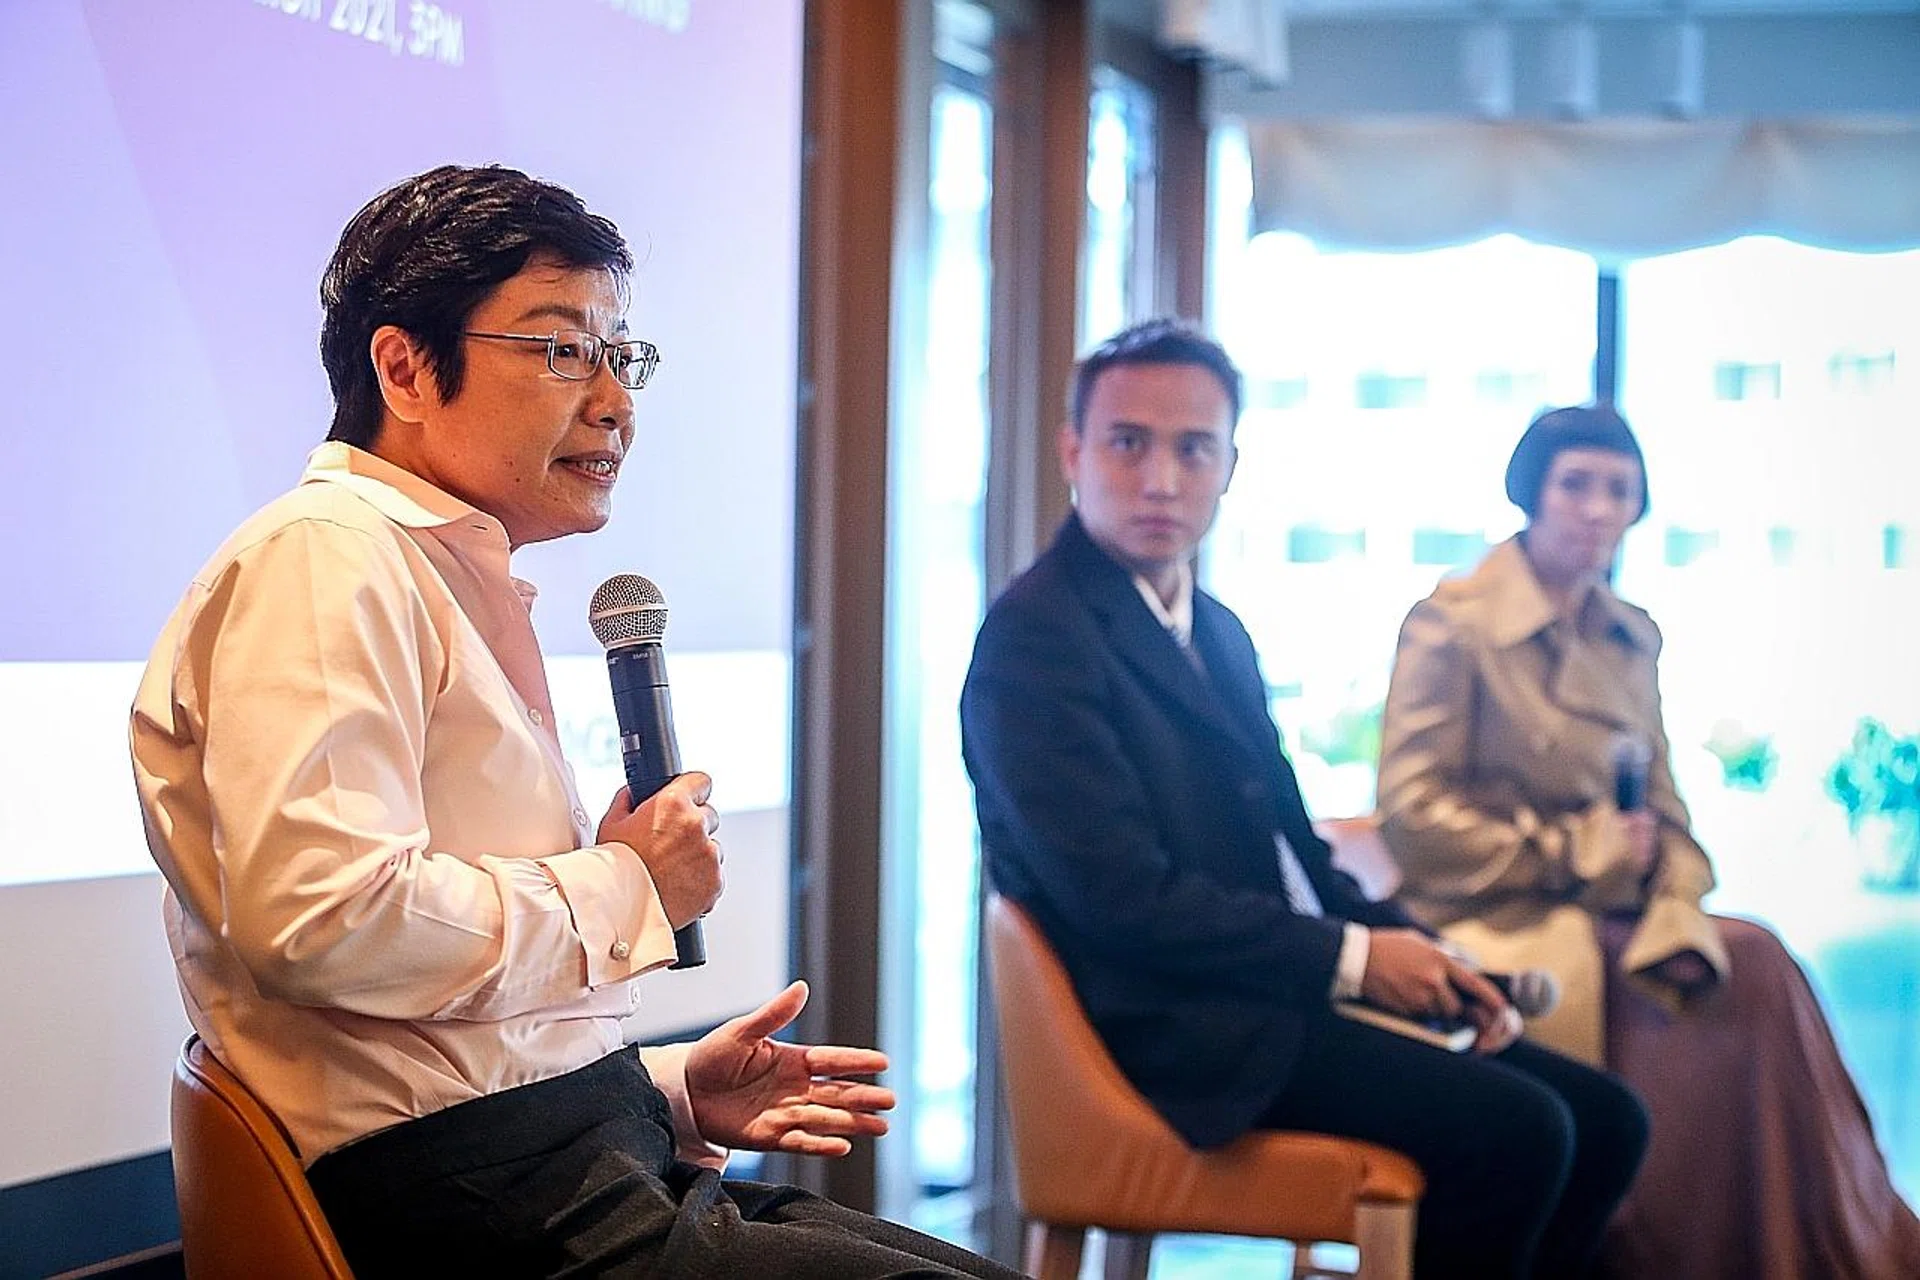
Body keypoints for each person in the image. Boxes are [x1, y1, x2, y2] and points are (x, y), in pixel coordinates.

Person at [130, 164, 1019, 1280]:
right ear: (404, 368)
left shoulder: (426, 568)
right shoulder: (322, 557)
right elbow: (325, 921)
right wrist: (630, 884)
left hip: (553, 1170)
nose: (614, 402)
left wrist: (663, 1087)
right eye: (560, 350)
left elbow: (434, 1033)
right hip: (473, 1211)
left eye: (617, 355)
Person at [960, 320, 1650, 1279]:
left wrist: (1436, 962)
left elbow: (1296, 859)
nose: (1161, 479)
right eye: (1128, 442)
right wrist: (1358, 962)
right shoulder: (1036, 640)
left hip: (1262, 994)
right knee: (1520, 1133)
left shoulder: (1216, 629)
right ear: (1074, 452)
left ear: (1229, 467)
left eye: (1193, 449)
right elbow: (1124, 901)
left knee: (1610, 1121)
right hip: (1169, 1030)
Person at [1377, 403, 1920, 1279]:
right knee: (1736, 985)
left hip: (1615, 914)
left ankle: (1816, 1250)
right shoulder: (1454, 622)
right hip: (1490, 915)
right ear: (1530, 492)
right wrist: (1575, 851)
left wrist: (1667, 873)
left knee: (1755, 965)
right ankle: (1668, 1250)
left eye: (1619, 490)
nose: (1598, 509)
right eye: (1575, 485)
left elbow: (1666, 804)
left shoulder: (1630, 635)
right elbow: (1411, 813)